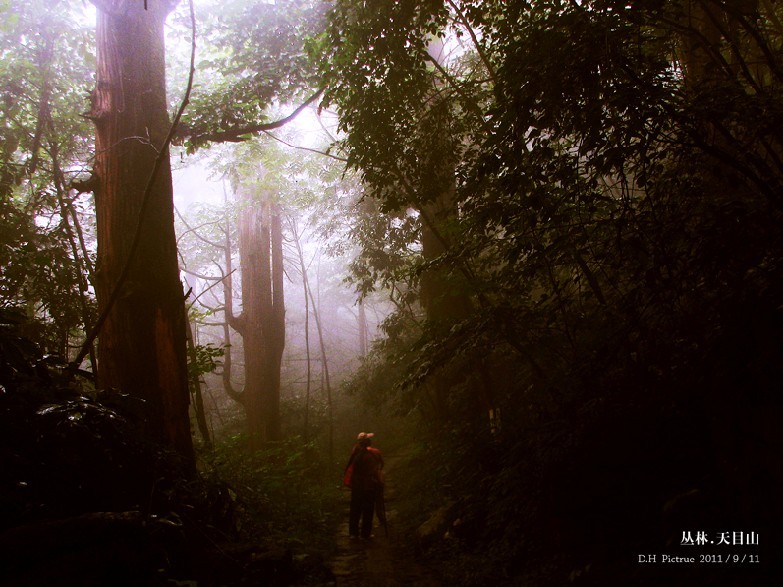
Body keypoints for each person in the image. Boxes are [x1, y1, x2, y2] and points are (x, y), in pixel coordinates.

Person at [344, 432, 384, 540]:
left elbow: (349, 469)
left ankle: (353, 533)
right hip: (369, 486)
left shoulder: (355, 454)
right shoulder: (374, 453)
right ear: (369, 443)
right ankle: (365, 534)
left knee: (355, 509)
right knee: (368, 509)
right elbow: (377, 469)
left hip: (357, 486)